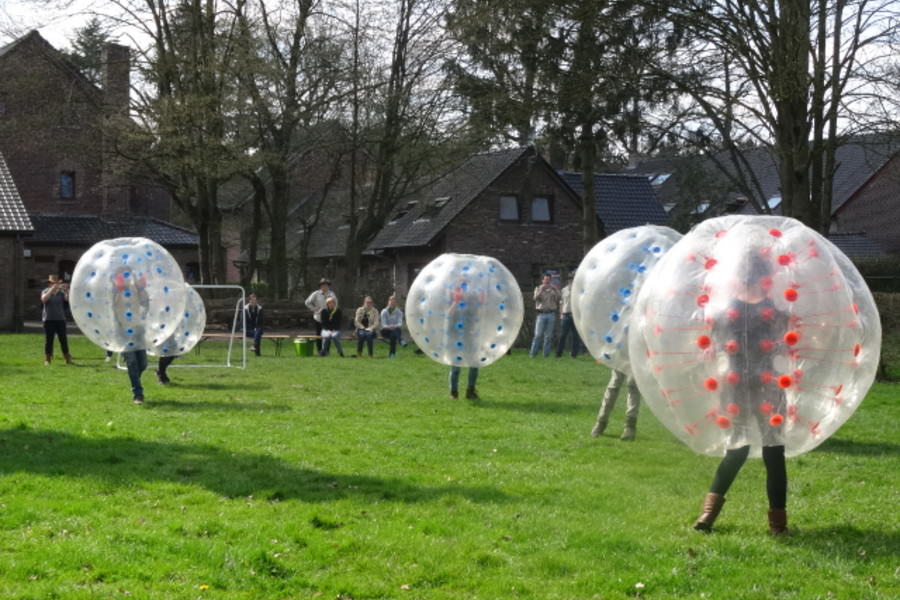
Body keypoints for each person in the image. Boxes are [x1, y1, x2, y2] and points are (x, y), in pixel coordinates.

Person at [693, 256, 789, 535]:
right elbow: (787, 345)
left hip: (735, 386)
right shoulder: (775, 311)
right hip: (768, 386)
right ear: (765, 278)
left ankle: (707, 516)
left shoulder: (725, 311)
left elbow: (711, 347)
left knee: (736, 449)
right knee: (773, 453)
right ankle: (778, 526)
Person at [114, 271, 151, 405]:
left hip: (138, 330)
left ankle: (135, 379)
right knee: (132, 363)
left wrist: (140, 287)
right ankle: (138, 394)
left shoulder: (136, 290)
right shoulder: (116, 293)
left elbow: (145, 302)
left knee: (143, 364)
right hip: (124, 332)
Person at [591, 369, 641, 440]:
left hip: (635, 359)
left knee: (633, 386)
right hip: (621, 358)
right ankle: (601, 422)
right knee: (614, 385)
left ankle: (630, 426)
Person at [40, 274, 72, 365]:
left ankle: (67, 357)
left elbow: (68, 299)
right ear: (49, 284)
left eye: (56, 283)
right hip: (48, 320)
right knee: (49, 339)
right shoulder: (45, 291)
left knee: (63, 339)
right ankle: (47, 358)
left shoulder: (61, 293)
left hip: (60, 319)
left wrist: (67, 291)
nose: (55, 285)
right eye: (53, 283)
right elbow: (44, 299)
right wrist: (52, 290)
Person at [529, 273, 560, 357]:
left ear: (550, 280)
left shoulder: (554, 289)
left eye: (549, 279)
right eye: (545, 279)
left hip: (551, 314)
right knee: (538, 335)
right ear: (543, 280)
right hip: (541, 314)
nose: (547, 281)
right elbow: (535, 299)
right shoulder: (538, 288)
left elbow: (559, 298)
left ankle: (546, 355)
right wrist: (541, 291)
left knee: (548, 336)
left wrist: (556, 289)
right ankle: (533, 354)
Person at [305, 278, 337, 353]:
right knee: (319, 335)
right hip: (318, 317)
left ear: (328, 286)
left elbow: (335, 303)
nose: (325, 287)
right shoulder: (316, 293)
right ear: (320, 286)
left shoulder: (331, 294)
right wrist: (314, 309)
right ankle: (319, 350)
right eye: (323, 285)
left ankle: (326, 351)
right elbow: (307, 302)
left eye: (326, 285)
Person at [556, 274, 582, 358]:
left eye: (573, 281)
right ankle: (558, 354)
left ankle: (574, 355)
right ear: (568, 281)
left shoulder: (578, 291)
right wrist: (561, 314)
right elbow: (561, 303)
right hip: (566, 315)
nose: (571, 282)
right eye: (570, 280)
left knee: (576, 336)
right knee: (563, 335)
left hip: (575, 316)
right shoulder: (564, 290)